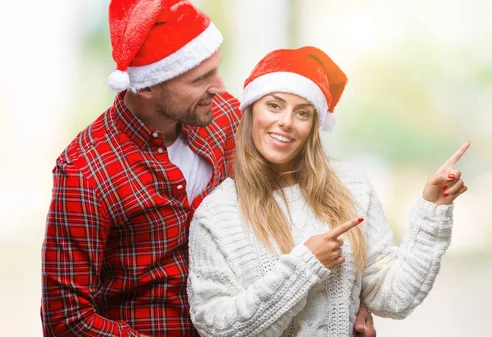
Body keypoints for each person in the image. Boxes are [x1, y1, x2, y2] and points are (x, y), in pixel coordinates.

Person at [41, 1, 376, 336]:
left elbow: (301, 201)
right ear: (145, 86)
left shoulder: (228, 118)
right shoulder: (85, 173)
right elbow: (67, 320)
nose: (219, 86)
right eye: (200, 78)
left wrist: (352, 301)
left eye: (215, 69)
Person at [187, 46, 470, 337]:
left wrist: (432, 210)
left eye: (302, 113)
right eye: (274, 105)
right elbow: (217, 328)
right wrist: (306, 264)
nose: (286, 121)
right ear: (250, 110)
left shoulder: (352, 187)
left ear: (314, 125)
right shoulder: (217, 213)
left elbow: (394, 298)